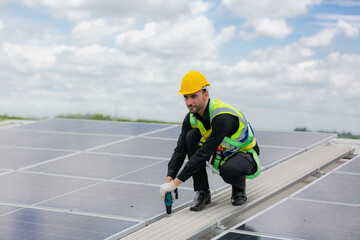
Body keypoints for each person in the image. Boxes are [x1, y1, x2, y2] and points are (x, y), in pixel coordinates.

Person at [160, 70, 260, 211]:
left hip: (244, 156)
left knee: (229, 170)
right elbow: (180, 149)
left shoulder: (222, 117)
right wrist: (168, 179)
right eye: (186, 97)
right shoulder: (191, 118)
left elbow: (204, 153)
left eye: (194, 96)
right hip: (221, 154)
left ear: (205, 94)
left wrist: (175, 183)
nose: (189, 102)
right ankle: (203, 192)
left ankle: (238, 189)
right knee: (190, 137)